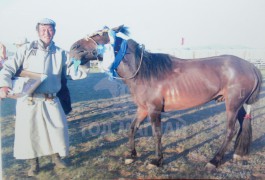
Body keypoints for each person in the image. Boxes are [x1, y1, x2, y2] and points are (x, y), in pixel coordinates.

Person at [0, 18, 89, 176]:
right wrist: (4, 85)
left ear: (54, 31)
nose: (47, 33)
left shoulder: (60, 53)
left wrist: (82, 62)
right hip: (29, 100)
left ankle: (56, 159)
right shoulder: (26, 49)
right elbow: (8, 68)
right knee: (30, 133)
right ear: (37, 31)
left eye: (50, 30)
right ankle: (34, 164)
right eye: (43, 30)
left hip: (51, 100)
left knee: (56, 131)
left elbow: (72, 72)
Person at [14, 37, 72, 115]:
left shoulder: (32, 54)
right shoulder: (21, 57)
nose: (18, 47)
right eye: (18, 46)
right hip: (29, 94)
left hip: (52, 89)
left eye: (19, 45)